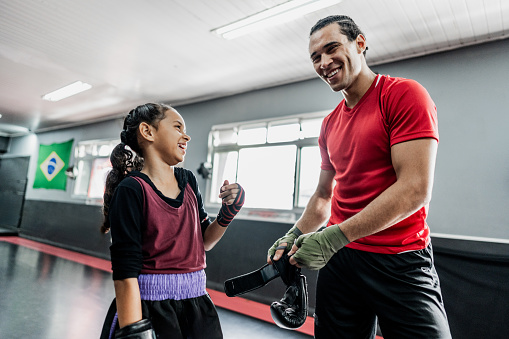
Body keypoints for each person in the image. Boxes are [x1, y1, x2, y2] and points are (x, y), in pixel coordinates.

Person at [267, 15, 451, 338]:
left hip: (401, 260)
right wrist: (294, 233)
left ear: (360, 44)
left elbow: (415, 189)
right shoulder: (329, 124)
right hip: (342, 261)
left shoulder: (404, 96)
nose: (324, 62)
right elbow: (325, 196)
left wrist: (332, 237)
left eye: (331, 48)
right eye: (315, 57)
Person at [99, 103, 245, 339]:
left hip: (197, 305)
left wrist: (228, 212)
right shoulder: (132, 189)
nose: (186, 135)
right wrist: (136, 333)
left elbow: (204, 241)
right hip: (149, 309)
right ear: (148, 132)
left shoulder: (188, 180)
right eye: (178, 127)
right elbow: (125, 275)